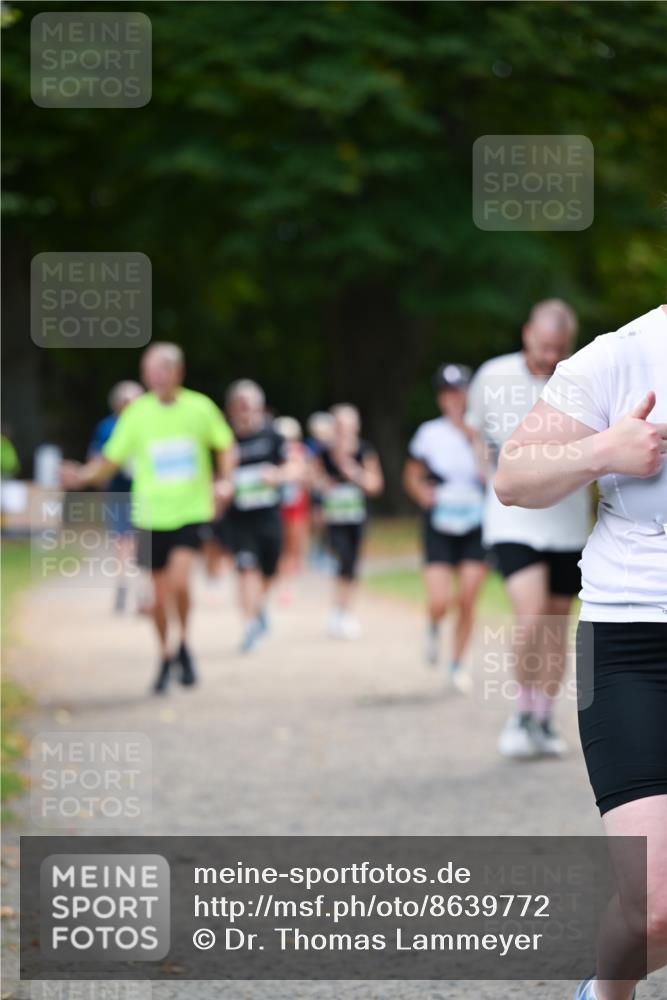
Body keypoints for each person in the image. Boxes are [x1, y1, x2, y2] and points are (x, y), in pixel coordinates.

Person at [494, 304, 667, 1000]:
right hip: (634, 641)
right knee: (654, 907)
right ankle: (605, 991)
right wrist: (603, 452)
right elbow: (513, 478)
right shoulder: (621, 354)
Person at [61, 343, 235, 693]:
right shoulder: (137, 413)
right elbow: (110, 459)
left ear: (176, 372)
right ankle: (165, 655)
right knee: (156, 597)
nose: (151, 376)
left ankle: (184, 641)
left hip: (189, 511)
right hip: (149, 515)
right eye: (147, 371)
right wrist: (82, 476)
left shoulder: (199, 408)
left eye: (158, 369)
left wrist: (225, 479)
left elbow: (225, 444)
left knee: (181, 584)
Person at [466, 299, 590, 758]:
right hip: (511, 517)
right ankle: (520, 712)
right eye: (543, 347)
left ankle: (542, 716)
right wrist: (488, 475)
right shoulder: (493, 376)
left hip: (567, 522)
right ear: (526, 335)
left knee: (557, 625)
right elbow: (475, 430)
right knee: (531, 614)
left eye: (559, 349)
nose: (550, 358)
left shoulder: (581, 378)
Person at [403, 364, 488, 690]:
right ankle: (435, 626)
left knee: (467, 597)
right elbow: (411, 474)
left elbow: (495, 471)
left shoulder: (484, 430)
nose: (454, 398)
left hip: (475, 520)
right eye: (447, 392)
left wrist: (472, 435)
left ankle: (457, 663)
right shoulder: (429, 433)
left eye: (459, 391)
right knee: (439, 600)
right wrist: (421, 492)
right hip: (440, 520)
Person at [225, 380, 304, 653]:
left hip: (269, 515)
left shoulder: (273, 436)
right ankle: (249, 627)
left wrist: (278, 476)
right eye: (241, 406)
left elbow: (296, 466)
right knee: (246, 568)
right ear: (232, 409)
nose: (246, 412)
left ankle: (258, 607)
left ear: (260, 408)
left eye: (251, 406)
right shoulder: (224, 439)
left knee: (269, 570)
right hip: (238, 517)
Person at [315, 404, 383, 639]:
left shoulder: (364, 450)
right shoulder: (324, 453)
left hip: (356, 517)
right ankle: (339, 610)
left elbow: (375, 484)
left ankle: (345, 610)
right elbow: (313, 480)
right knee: (342, 560)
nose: (344, 430)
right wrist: (324, 485)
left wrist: (354, 473)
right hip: (334, 518)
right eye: (340, 425)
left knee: (352, 564)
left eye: (348, 425)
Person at [88, 380, 144, 613]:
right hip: (117, 491)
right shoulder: (107, 427)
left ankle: (144, 592)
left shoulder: (147, 424)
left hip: (145, 491)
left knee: (145, 542)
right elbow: (97, 457)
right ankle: (123, 586)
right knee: (122, 541)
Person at [274, 416, 310, 602]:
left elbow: (306, 478)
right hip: (279, 507)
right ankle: (281, 582)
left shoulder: (300, 452)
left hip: (296, 507)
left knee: (293, 546)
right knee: (280, 546)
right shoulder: (275, 452)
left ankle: (288, 583)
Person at [304, 411, 334, 569]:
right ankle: (316, 552)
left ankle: (325, 552)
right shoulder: (310, 447)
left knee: (328, 522)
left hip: (331, 492)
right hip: (316, 490)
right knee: (318, 521)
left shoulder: (332, 447)